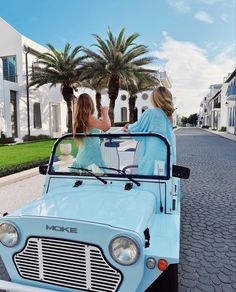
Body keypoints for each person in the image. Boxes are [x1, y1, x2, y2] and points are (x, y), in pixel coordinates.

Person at [123, 86, 175, 175]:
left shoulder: (151, 113)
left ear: (154, 99)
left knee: (150, 180)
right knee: (163, 182)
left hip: (153, 155)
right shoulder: (169, 117)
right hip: (166, 154)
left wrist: (129, 127)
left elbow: (137, 128)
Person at [71, 93, 111, 171]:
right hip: (91, 159)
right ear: (90, 104)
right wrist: (105, 112)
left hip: (81, 157)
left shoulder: (79, 120)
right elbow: (106, 126)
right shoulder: (89, 118)